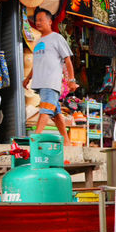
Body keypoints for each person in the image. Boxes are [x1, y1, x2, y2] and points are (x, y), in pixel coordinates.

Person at [23, 8, 77, 146]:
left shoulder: (56, 38)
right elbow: (37, 63)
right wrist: (28, 78)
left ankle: (35, 138)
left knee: (46, 108)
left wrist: (71, 80)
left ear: (50, 21)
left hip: (50, 82)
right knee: (56, 113)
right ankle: (67, 141)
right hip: (41, 84)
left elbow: (67, 60)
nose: (38, 22)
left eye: (41, 20)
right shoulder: (39, 42)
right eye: (37, 20)